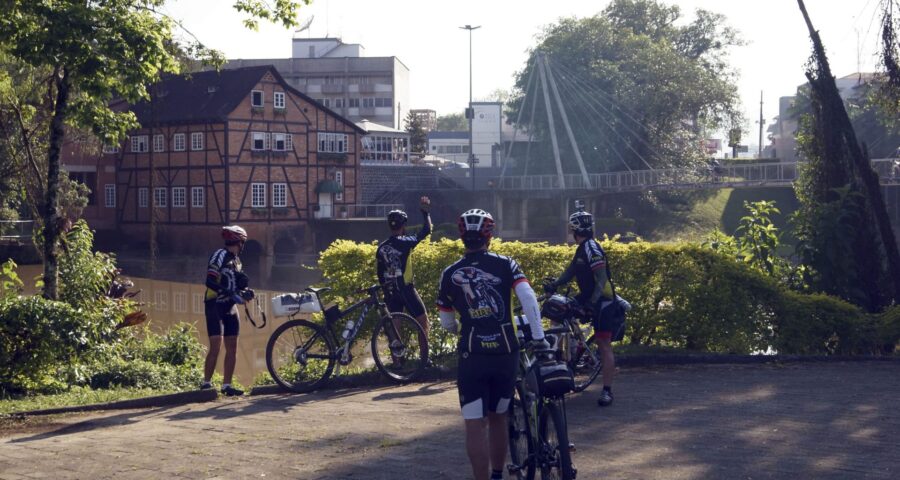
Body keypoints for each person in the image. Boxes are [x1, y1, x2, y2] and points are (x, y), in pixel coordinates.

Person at [437, 208, 548, 480]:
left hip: (472, 355)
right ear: (490, 235)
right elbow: (529, 299)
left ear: (462, 236)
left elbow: (446, 322)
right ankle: (498, 474)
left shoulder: (450, 273)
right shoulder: (506, 264)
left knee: (475, 424)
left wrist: (463, 326)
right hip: (505, 352)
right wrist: (539, 337)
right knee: (499, 417)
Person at [544, 205, 618, 407]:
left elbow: (602, 280)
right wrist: (555, 284)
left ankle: (607, 391)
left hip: (603, 300)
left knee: (604, 344)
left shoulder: (592, 248)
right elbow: (570, 272)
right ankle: (573, 348)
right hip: (587, 296)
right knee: (557, 311)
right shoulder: (581, 249)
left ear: (574, 230)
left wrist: (591, 305)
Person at [201, 225, 255, 396]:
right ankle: (206, 383)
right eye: (243, 243)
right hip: (214, 304)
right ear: (239, 242)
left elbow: (236, 283)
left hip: (230, 306)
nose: (243, 246)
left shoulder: (237, 261)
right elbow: (209, 282)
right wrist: (229, 291)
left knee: (232, 347)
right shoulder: (219, 255)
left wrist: (245, 292)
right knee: (216, 344)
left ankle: (226, 386)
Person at [376, 196, 432, 337]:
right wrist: (425, 212)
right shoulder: (406, 242)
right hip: (406, 288)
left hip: (390, 291)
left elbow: (380, 273)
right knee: (423, 322)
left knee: (395, 329)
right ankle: (425, 359)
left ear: (390, 225)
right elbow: (426, 230)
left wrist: (385, 291)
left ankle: (397, 359)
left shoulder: (381, 248)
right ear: (403, 225)